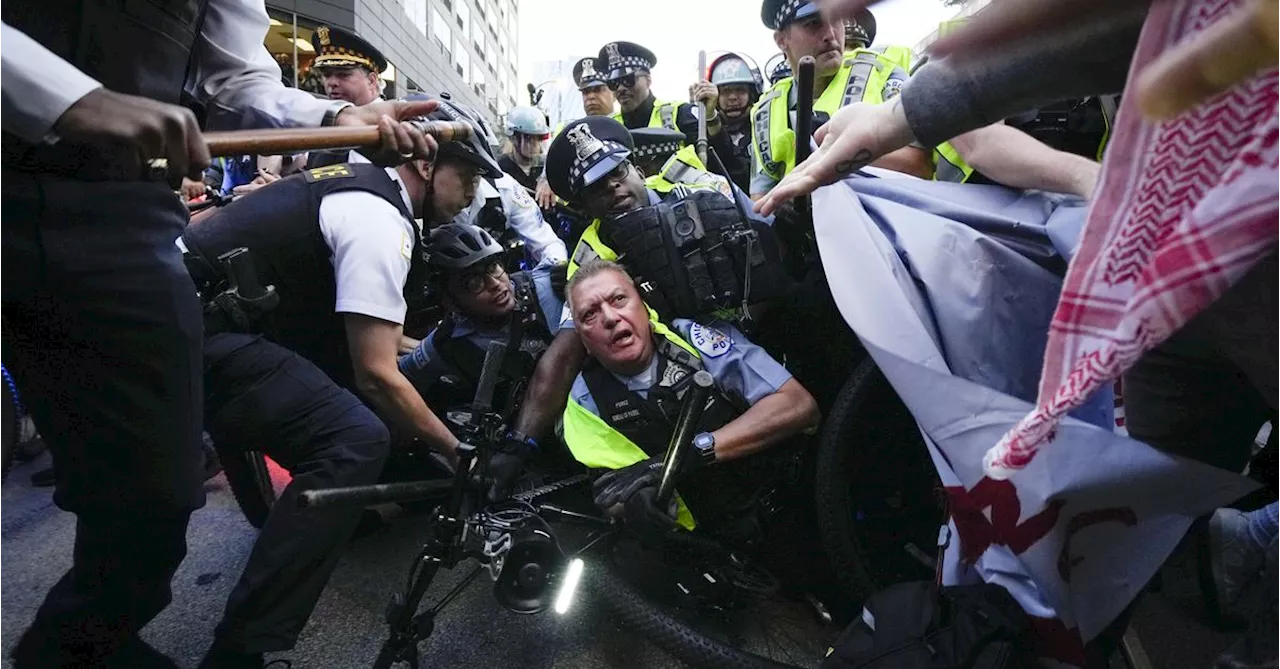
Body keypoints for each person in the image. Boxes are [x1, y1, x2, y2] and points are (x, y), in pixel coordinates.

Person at [0, 4, 436, 667]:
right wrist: (74, 100)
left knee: (154, 508)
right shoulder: (374, 212)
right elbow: (375, 368)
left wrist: (329, 120)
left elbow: (237, 77)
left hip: (120, 209)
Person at [178, 97, 493, 668]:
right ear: (425, 166)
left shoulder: (354, 183)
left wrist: (439, 348)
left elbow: (372, 336)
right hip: (197, 332)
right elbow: (375, 372)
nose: (473, 193)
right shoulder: (380, 219)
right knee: (355, 437)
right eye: (467, 177)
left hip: (194, 314)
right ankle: (240, 651)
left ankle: (284, 518)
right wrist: (457, 453)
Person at [562, 259, 819, 532]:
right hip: (707, 546)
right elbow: (609, 491)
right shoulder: (583, 405)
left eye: (619, 299)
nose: (610, 318)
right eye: (590, 314)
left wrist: (693, 454)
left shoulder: (693, 338)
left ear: (644, 305)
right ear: (582, 339)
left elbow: (798, 405)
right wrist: (632, 503)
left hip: (789, 504)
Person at [399, 223, 564, 496]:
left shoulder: (546, 287)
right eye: (473, 283)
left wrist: (579, 281)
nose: (495, 285)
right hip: (525, 448)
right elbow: (399, 383)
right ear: (450, 302)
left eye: (493, 268)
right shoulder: (445, 343)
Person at [441, 97, 568, 270]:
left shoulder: (504, 185)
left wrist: (555, 268)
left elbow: (544, 239)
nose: (534, 145)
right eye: (528, 138)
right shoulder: (502, 170)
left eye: (538, 139)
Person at [597, 41, 721, 144]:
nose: (620, 89)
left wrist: (711, 117)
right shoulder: (608, 127)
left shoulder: (680, 114)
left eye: (628, 80)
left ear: (648, 80)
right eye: (614, 83)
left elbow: (718, 160)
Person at [534, 56, 616, 211]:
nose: (591, 96)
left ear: (614, 92)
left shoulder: (626, 124)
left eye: (598, 89)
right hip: (578, 212)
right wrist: (545, 180)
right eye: (586, 92)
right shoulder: (569, 130)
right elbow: (552, 164)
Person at [304, 24, 387, 169]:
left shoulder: (391, 125)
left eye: (343, 75)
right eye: (327, 75)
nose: (332, 83)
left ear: (372, 80)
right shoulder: (322, 122)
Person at [706, 52, 764, 192]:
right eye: (725, 91)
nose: (732, 98)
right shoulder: (702, 131)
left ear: (753, 94)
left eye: (740, 90)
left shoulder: (764, 128)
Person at [500, 106, 551, 193]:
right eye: (528, 137)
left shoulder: (546, 168)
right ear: (513, 138)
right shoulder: (501, 170)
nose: (535, 143)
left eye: (539, 137)